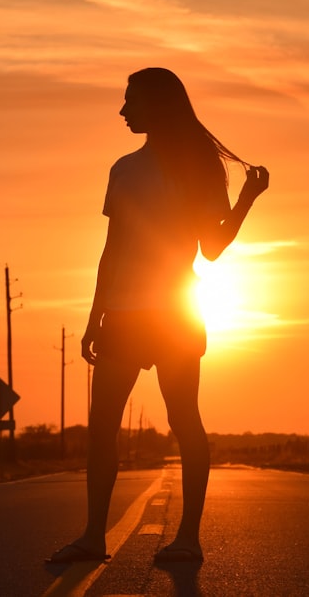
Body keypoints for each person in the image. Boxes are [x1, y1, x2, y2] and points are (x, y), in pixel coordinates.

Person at [47, 68, 269, 565]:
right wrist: (93, 319)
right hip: (122, 316)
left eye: (131, 102)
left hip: (174, 313)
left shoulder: (200, 167)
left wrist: (246, 201)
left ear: (157, 105)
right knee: (102, 427)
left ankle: (188, 539)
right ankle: (92, 538)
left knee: (183, 420)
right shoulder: (123, 169)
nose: (123, 111)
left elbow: (211, 248)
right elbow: (112, 249)